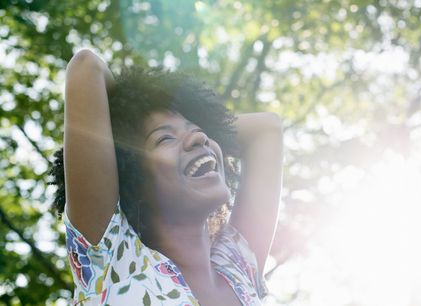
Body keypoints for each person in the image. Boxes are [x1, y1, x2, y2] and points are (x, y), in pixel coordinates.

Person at [49, 49, 283, 305]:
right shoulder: (113, 260)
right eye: (165, 139)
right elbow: (87, 67)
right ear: (132, 178)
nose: (200, 138)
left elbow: (267, 128)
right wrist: (126, 118)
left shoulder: (238, 268)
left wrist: (209, 126)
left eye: (199, 130)